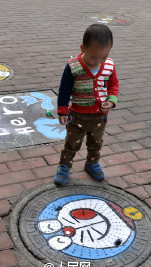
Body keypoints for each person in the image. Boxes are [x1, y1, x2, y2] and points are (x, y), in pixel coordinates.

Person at [54, 24, 119, 185]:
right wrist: (62, 110)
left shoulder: (109, 65)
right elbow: (64, 89)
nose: (98, 61)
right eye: (93, 57)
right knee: (72, 143)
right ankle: (64, 166)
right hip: (77, 116)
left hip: (99, 117)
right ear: (83, 48)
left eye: (103, 57)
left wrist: (111, 100)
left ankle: (92, 163)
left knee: (95, 143)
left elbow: (113, 84)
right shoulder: (73, 67)